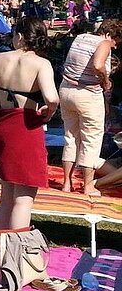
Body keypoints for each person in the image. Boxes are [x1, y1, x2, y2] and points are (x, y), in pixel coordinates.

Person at [0, 17, 59, 231]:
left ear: (20, 36)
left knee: (6, 195)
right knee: (24, 198)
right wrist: (48, 113)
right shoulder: (41, 64)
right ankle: (16, 252)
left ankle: (2, 253)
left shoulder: (0, 59)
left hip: (4, 125)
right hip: (27, 126)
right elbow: (52, 98)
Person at [59, 19, 121, 195]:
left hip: (66, 90)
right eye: (116, 41)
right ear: (109, 34)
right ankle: (87, 186)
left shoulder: (80, 38)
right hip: (87, 95)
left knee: (71, 137)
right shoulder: (103, 43)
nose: (115, 46)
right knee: (91, 141)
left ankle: (66, 183)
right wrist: (105, 80)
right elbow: (98, 65)